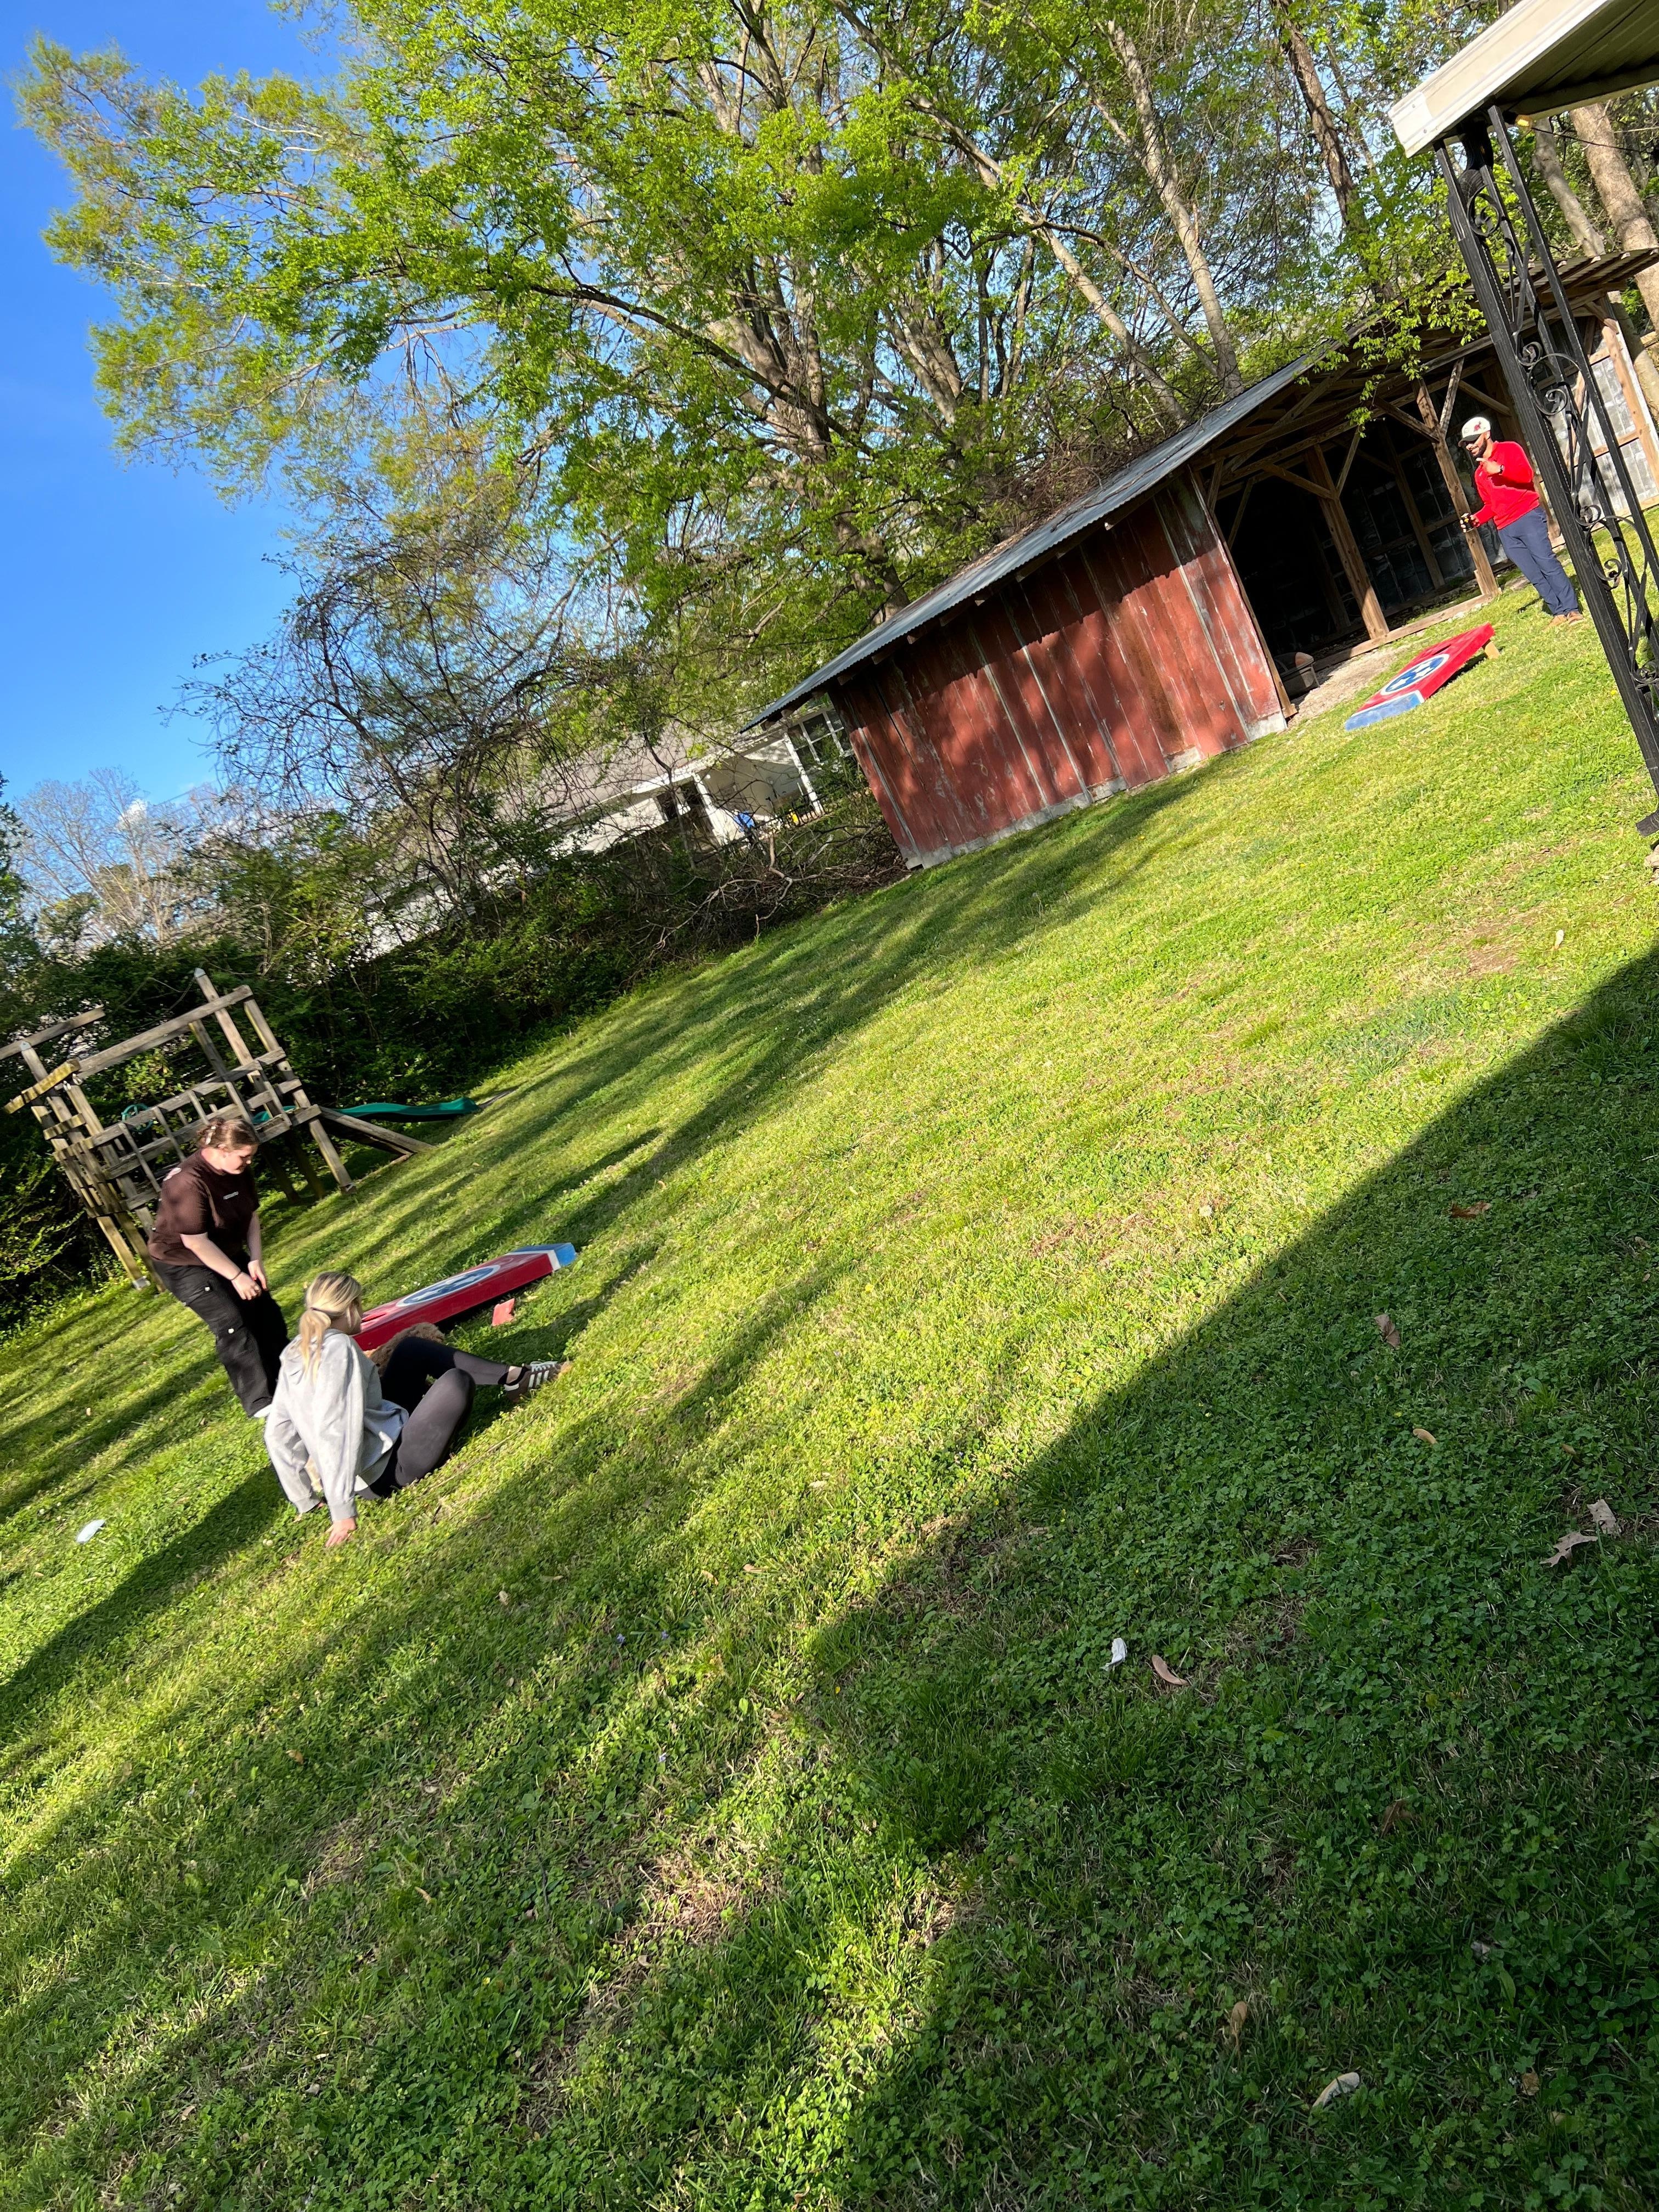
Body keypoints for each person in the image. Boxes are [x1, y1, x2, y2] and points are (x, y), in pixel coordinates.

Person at [263, 1271, 562, 1547]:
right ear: (351, 1307)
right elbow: (336, 1427)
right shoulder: (339, 1349)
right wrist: (341, 1510)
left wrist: (303, 1498)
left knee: (411, 1349)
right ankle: (511, 1384)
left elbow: (278, 1432)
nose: (365, 1313)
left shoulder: (295, 1350)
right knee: (456, 1383)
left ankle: (516, 1379)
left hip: (372, 1453)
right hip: (390, 1471)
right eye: (361, 1303)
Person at [148, 1111, 289, 1415]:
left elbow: (251, 1215)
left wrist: (255, 1261)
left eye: (251, 1157)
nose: (248, 1163)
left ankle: (290, 1380)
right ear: (222, 1151)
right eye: (243, 1157)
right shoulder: (187, 1183)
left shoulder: (238, 1171)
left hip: (223, 1251)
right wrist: (237, 1276)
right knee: (232, 1322)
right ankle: (261, 1403)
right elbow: (195, 1242)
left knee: (266, 1313)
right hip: (183, 1262)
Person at [1459, 416, 1582, 625]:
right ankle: (1559, 612)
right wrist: (1475, 520)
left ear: (1486, 434)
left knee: (1546, 562)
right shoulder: (1479, 475)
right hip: (1505, 529)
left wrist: (1500, 470)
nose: (1470, 446)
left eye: (1473, 440)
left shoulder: (1510, 449)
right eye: (1466, 443)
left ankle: (1572, 610)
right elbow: (1491, 505)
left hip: (1528, 517)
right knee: (1532, 572)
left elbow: (1527, 475)